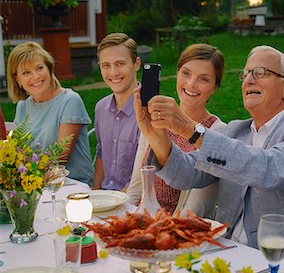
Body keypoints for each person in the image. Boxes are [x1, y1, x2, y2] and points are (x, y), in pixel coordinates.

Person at [134, 45, 284, 269]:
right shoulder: (238, 132)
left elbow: (271, 169)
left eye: (260, 73)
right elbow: (187, 174)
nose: (249, 80)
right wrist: (156, 135)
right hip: (229, 259)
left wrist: (189, 128)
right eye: (246, 73)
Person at [127, 43, 226, 217]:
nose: (191, 84)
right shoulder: (156, 119)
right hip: (142, 222)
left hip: (179, 232)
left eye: (203, 79)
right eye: (186, 73)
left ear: (215, 88)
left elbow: (193, 211)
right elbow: (135, 189)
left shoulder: (217, 133)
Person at [7, 42, 93, 185]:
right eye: (26, 72)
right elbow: (17, 153)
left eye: (39, 68)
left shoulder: (70, 101)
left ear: (49, 68)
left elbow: (60, 159)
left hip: (71, 187)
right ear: (18, 80)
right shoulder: (22, 107)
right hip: (35, 186)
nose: (35, 76)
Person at [93, 33, 141, 191]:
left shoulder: (150, 111)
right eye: (106, 65)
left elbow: (151, 170)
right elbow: (101, 154)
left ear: (136, 64)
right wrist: (96, 195)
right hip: (106, 198)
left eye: (120, 64)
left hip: (135, 203)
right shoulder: (101, 108)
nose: (113, 72)